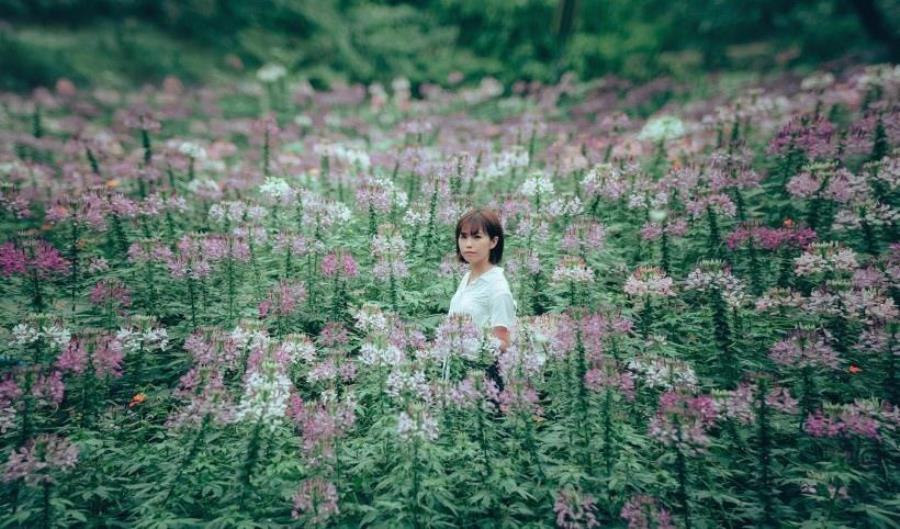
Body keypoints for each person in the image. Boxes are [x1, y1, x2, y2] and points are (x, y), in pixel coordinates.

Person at [447, 208, 517, 391]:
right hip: (458, 372)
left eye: (477, 237)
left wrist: (469, 344)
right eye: (463, 237)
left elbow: (505, 343)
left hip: (483, 380)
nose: (468, 244)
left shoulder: (498, 288)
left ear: (493, 242)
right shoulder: (468, 277)